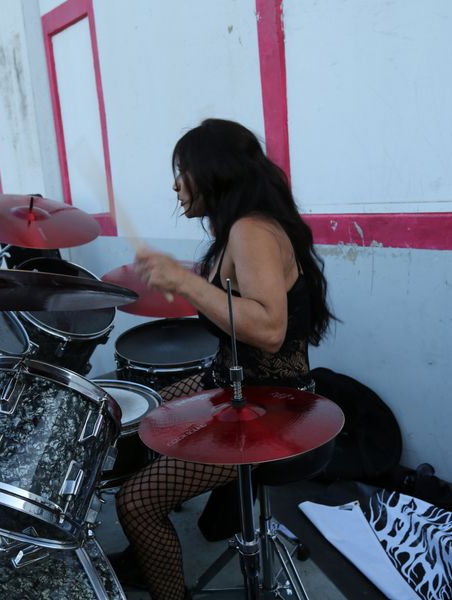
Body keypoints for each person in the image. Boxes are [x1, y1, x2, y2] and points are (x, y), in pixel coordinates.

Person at [116, 119, 334, 599]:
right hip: (230, 384)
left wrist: (185, 282)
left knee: (135, 503)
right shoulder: (235, 230)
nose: (175, 185)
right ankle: (147, 556)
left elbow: (269, 331)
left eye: (183, 171)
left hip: (271, 407)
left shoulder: (251, 230)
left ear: (214, 172)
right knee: (136, 419)